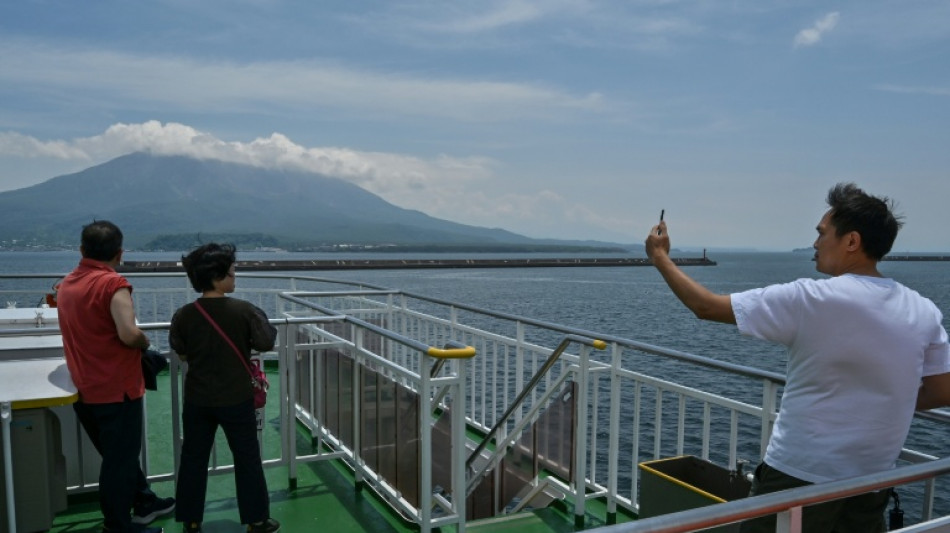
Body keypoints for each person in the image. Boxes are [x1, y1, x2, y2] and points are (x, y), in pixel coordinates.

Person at [644, 183, 950, 532]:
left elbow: (705, 306)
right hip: (871, 484)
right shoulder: (923, 310)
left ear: (851, 241)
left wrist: (660, 258)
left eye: (821, 234)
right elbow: (942, 391)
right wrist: (876, 400)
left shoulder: (813, 299)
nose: (815, 243)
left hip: (797, 478)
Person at [57, 220, 175, 533]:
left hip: (83, 388)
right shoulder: (113, 284)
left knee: (116, 456)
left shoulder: (66, 284)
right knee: (118, 463)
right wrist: (145, 341)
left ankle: (144, 500)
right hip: (117, 390)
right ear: (120, 253)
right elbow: (128, 333)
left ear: (82, 250)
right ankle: (118, 526)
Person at [168, 243, 279, 533]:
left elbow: (180, 350)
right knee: (247, 458)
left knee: (193, 459)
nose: (235, 277)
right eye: (232, 273)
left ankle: (191, 520)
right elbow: (266, 341)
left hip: (197, 399)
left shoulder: (184, 314)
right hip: (236, 397)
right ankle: (256, 519)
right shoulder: (242, 310)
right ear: (218, 277)